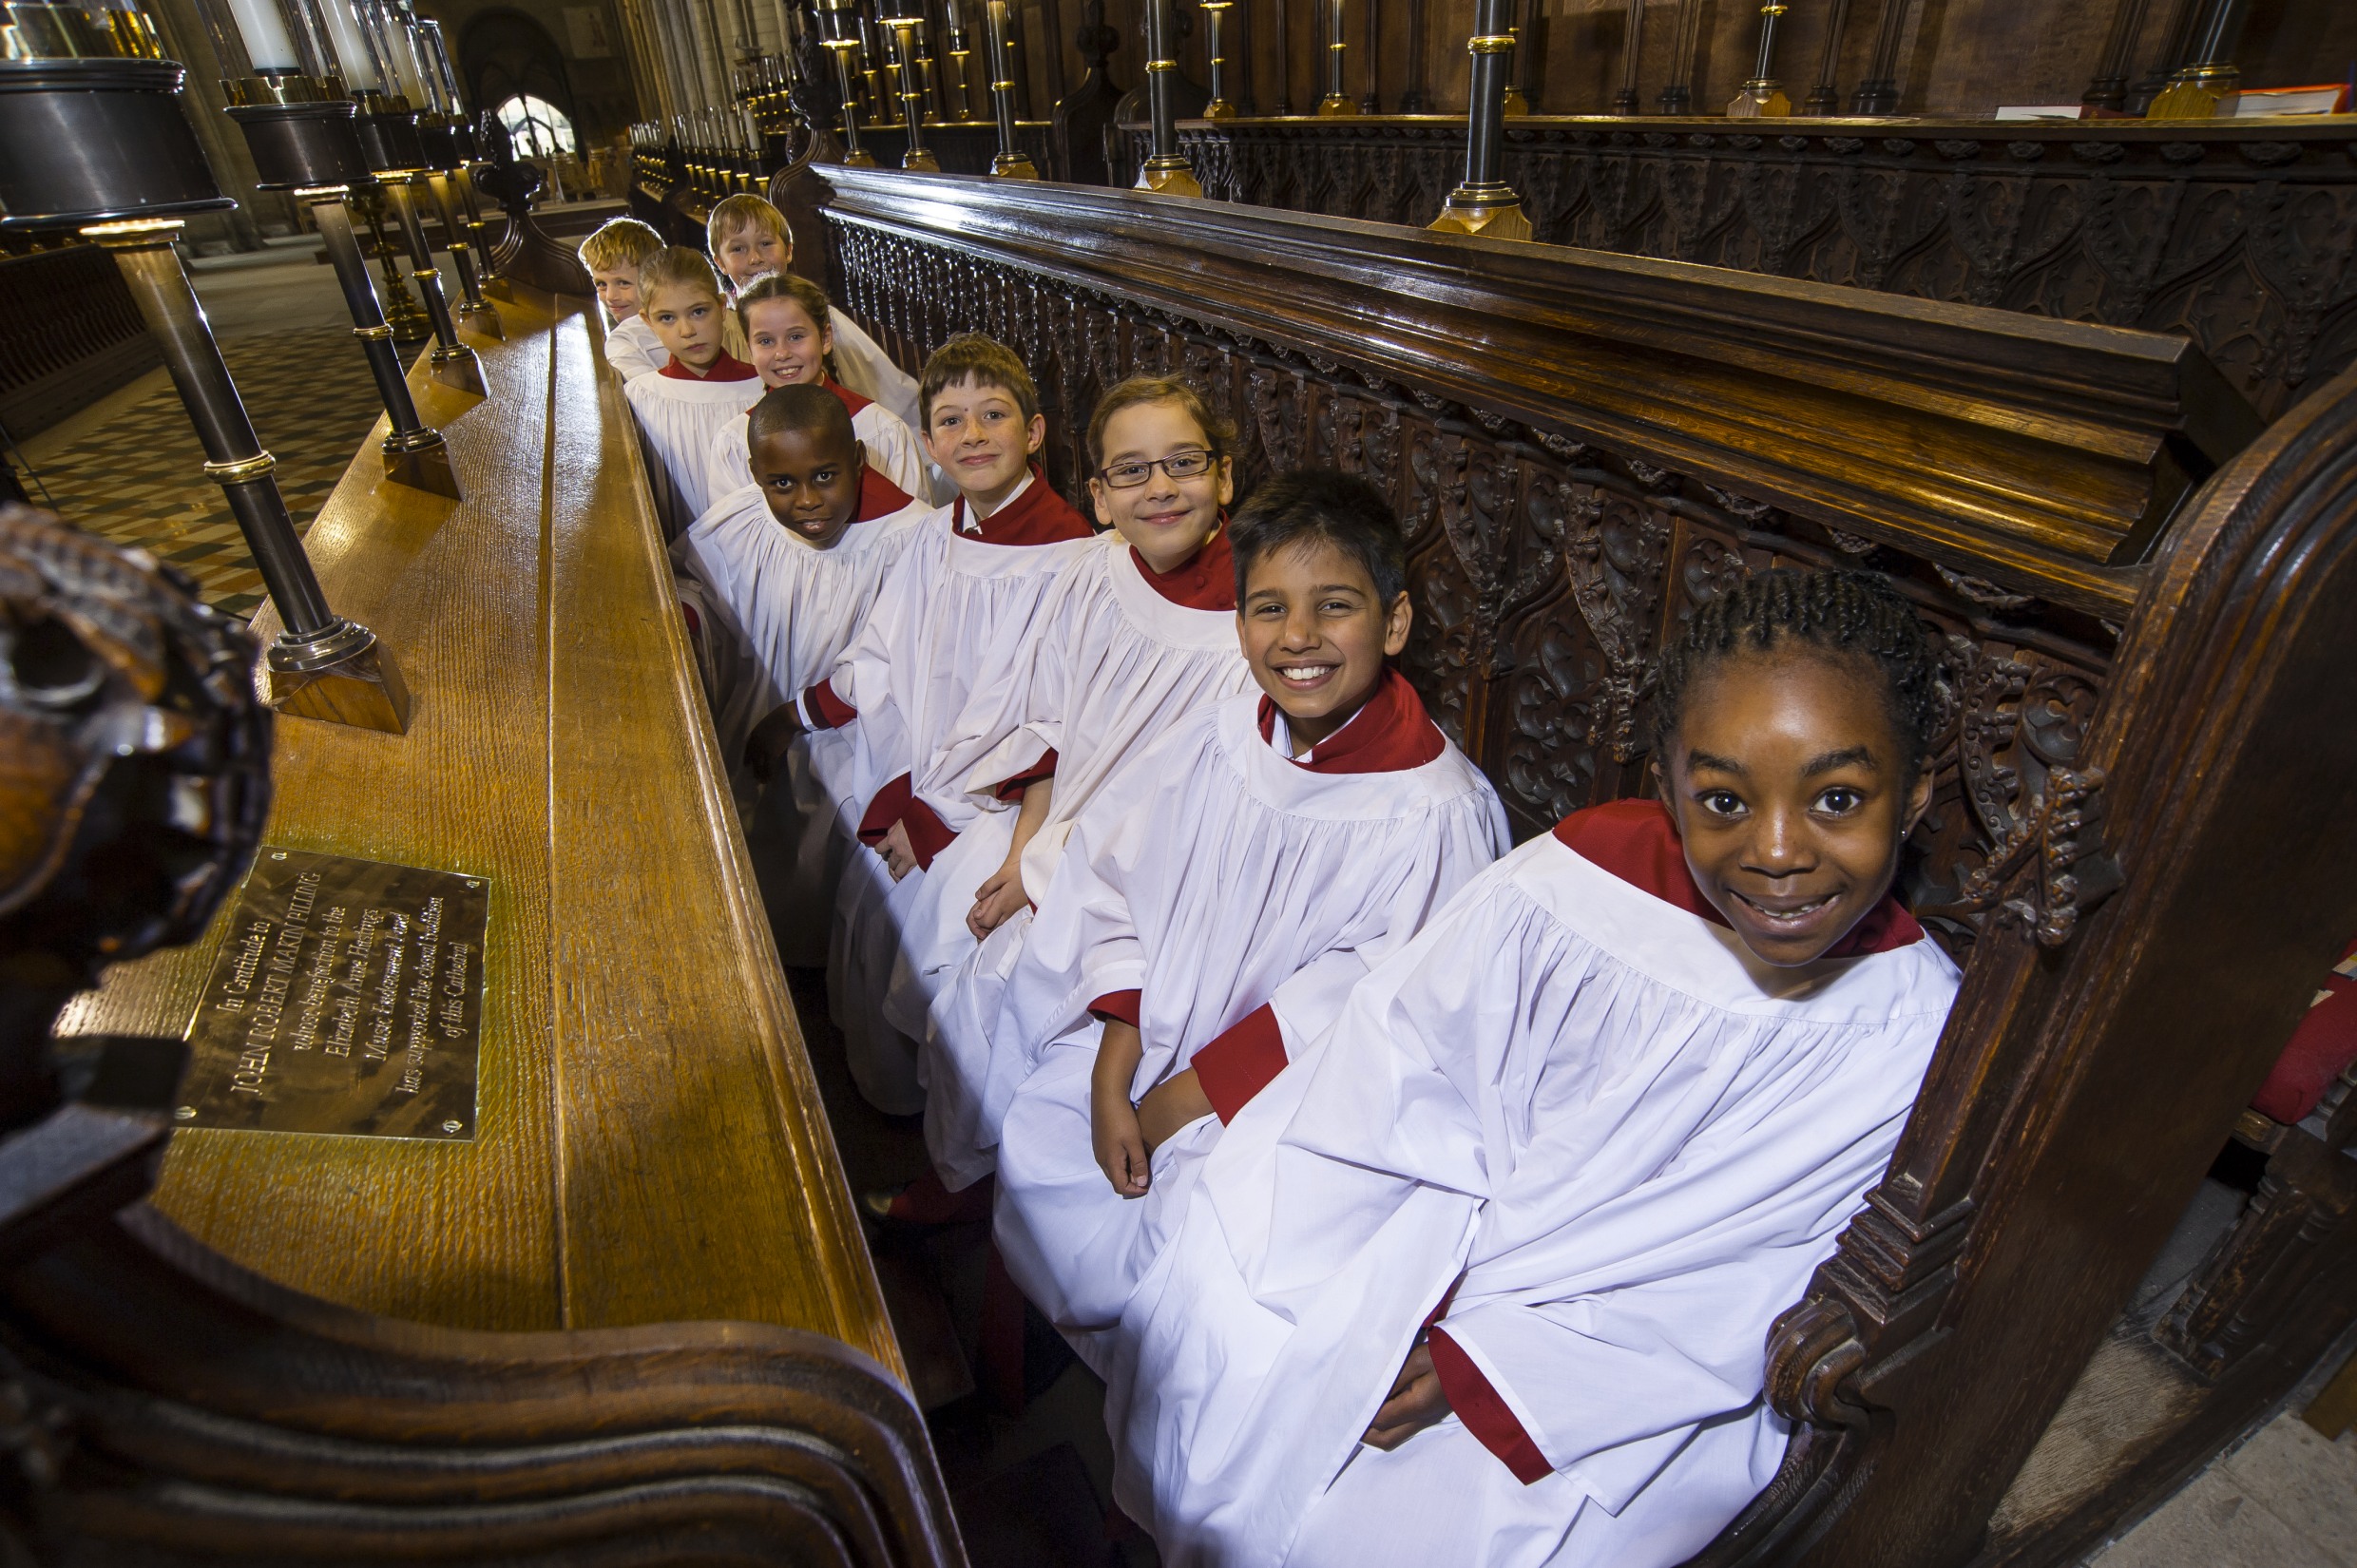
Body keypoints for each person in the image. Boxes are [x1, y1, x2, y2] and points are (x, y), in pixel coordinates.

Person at [1111, 567, 1963, 1568]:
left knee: (1410, 1526)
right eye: (1723, 799)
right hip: (1442, 1213)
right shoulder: (1579, 876)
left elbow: (1756, 1275)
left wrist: (1493, 1367)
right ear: (1666, 783)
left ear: (1910, 800)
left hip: (1609, 1370)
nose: (1775, 852)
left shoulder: (1904, 1029)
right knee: (1223, 1333)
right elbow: (1405, 1056)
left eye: (1834, 799)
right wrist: (1397, 1271)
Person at [984, 470, 1510, 1356]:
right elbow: (1115, 883)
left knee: (1201, 1259)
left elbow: (1379, 1022)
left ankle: (1134, 1445)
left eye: (1334, 606)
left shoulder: (1434, 816)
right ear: (1238, 628)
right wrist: (1116, 1063)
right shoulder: (1219, 739)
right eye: (1268, 609)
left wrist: (1175, 1103)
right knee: (1036, 1121)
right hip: (1152, 1028)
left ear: (1395, 622)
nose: (1298, 638)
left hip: (1278, 1102)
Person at [880, 377, 1255, 1219]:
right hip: (1062, 843)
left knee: (1026, 1011)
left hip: (1155, 888)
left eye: (1182, 464)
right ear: (1099, 496)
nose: (1159, 488)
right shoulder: (1095, 573)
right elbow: (1047, 727)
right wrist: (1026, 857)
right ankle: (962, 1187)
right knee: (969, 985)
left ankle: (995, 1208)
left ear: (1224, 478)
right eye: (1131, 472)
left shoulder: (1258, 623)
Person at [741, 334, 1094, 1114]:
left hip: (1001, 810)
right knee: (862, 897)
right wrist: (793, 718)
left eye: (993, 416)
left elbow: (1046, 722)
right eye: (952, 421)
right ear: (927, 442)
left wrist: (931, 815)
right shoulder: (938, 535)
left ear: (1033, 433)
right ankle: (865, 1106)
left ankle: (931, 1132)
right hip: (924, 779)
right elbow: (883, 661)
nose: (973, 436)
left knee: (925, 939)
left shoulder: (1075, 561)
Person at [674, 384, 931, 963]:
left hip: (846, 734)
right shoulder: (746, 518)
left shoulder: (913, 539)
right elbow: (699, 586)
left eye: (825, 476)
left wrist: (795, 719)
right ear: (755, 474)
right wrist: (686, 618)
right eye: (782, 484)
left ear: (860, 461)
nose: (807, 500)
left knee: (815, 865)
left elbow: (899, 662)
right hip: (756, 695)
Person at [701, 272, 936, 506]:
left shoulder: (880, 429)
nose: (782, 353)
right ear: (749, 350)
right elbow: (732, 534)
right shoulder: (735, 440)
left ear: (825, 339)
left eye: (795, 336)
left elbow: (913, 523)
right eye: (765, 341)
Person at [703, 193, 920, 433]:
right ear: (720, 263)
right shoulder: (722, 329)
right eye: (738, 249)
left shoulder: (819, 315)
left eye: (766, 244)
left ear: (788, 249)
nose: (755, 258)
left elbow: (884, 388)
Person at [622, 247, 763, 524]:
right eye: (667, 318)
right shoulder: (642, 397)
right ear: (647, 321)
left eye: (698, 312)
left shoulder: (762, 388)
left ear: (722, 307)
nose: (687, 331)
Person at [579, 217, 668, 383]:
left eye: (623, 283)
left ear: (656, 279)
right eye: (601, 284)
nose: (610, 296)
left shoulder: (625, 340)